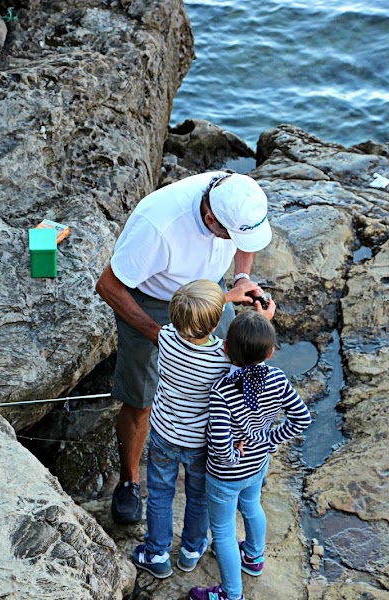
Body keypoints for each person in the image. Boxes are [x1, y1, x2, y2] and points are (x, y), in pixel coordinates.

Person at [95, 171, 273, 524]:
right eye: (231, 235)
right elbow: (108, 286)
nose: (238, 243)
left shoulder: (236, 195)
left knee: (225, 377)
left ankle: (221, 459)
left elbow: (246, 241)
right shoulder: (157, 227)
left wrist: (241, 278)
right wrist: (158, 335)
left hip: (210, 293)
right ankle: (130, 481)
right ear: (210, 219)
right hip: (153, 301)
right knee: (141, 397)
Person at [131, 280, 277, 578]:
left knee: (159, 494)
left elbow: (192, 319)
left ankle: (157, 553)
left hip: (164, 435)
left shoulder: (166, 337)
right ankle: (191, 550)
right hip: (201, 443)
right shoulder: (222, 360)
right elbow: (248, 357)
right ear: (214, 325)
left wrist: (226, 298)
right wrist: (260, 321)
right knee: (198, 497)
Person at [189, 311, 312, 600]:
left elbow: (220, 442)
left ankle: (231, 594)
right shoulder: (278, 379)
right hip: (258, 464)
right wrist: (269, 441)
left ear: (225, 348)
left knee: (223, 533)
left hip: (225, 474)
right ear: (270, 353)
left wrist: (233, 457)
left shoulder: (222, 390)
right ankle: (254, 557)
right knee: (252, 506)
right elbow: (301, 418)